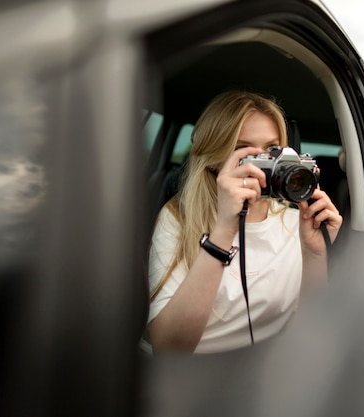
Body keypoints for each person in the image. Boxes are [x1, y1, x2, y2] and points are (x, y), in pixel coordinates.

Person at [146, 91, 342, 354]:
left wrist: (315, 254)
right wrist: (224, 230)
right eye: (243, 151)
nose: (260, 167)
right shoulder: (178, 220)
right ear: (214, 160)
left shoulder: (299, 224)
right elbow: (168, 348)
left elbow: (312, 335)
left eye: (272, 150)